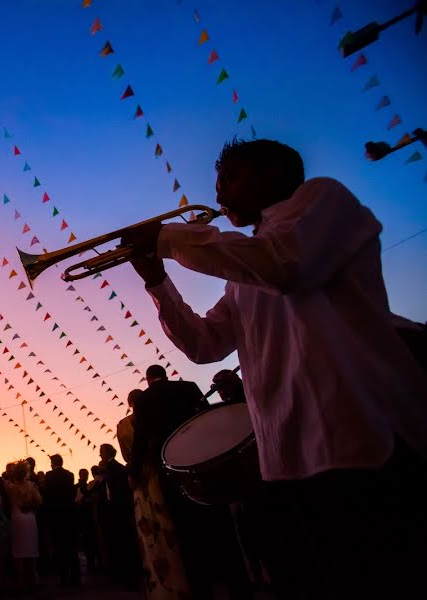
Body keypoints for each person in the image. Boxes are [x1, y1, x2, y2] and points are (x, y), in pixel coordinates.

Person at [124, 137, 427, 597]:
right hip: (285, 457)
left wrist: (168, 238)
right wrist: (157, 283)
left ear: (271, 174)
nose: (219, 193)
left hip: (361, 441)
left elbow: (287, 266)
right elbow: (205, 346)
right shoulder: (248, 266)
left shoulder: (323, 200)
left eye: (231, 178)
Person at [118, 389, 191, 599]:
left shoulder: (123, 426)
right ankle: (181, 582)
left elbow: (127, 456)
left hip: (141, 481)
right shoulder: (158, 419)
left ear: (130, 402)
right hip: (163, 476)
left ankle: (159, 587)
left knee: (149, 531)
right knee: (170, 526)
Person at [98, 443, 142, 588]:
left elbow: (120, 489)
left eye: (101, 452)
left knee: (124, 543)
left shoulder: (115, 468)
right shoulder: (109, 469)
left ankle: (129, 576)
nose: (99, 455)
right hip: (115, 510)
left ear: (107, 453)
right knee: (119, 542)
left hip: (120, 509)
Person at [43, 453, 81, 587]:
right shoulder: (70, 475)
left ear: (53, 463)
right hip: (69, 514)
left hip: (56, 515)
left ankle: (64, 577)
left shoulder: (49, 476)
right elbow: (72, 494)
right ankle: (76, 577)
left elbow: (47, 496)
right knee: (72, 546)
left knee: (60, 547)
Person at [4, 460, 42, 595]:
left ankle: (20, 584)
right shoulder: (32, 486)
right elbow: (39, 501)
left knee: (18, 554)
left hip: (16, 519)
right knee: (31, 552)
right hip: (30, 520)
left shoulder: (9, 487)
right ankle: (31, 582)